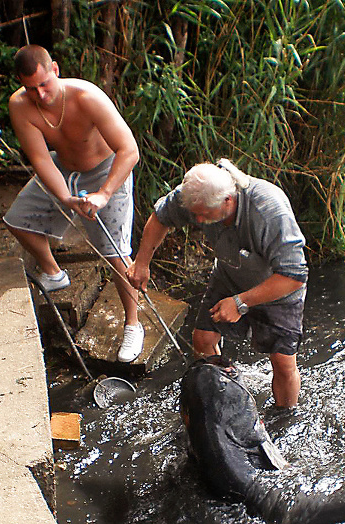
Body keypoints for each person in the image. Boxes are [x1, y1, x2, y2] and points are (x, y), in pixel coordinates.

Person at [127, 159, 307, 408]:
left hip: (278, 287)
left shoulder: (268, 211)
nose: (198, 219)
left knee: (283, 361)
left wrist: (240, 302)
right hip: (230, 273)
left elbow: (294, 276)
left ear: (228, 200)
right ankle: (223, 404)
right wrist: (142, 263)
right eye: (195, 213)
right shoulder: (197, 195)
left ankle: (285, 415)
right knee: (202, 339)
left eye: (205, 214)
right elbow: (161, 218)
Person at [3, 45, 144, 363]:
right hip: (63, 169)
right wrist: (66, 198)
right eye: (30, 88)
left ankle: (133, 324)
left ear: (54, 69)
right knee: (17, 219)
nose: (40, 94)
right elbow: (40, 158)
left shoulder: (86, 96)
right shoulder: (20, 105)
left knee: (115, 255)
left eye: (44, 84)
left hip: (108, 172)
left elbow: (129, 150)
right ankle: (53, 272)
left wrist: (104, 194)